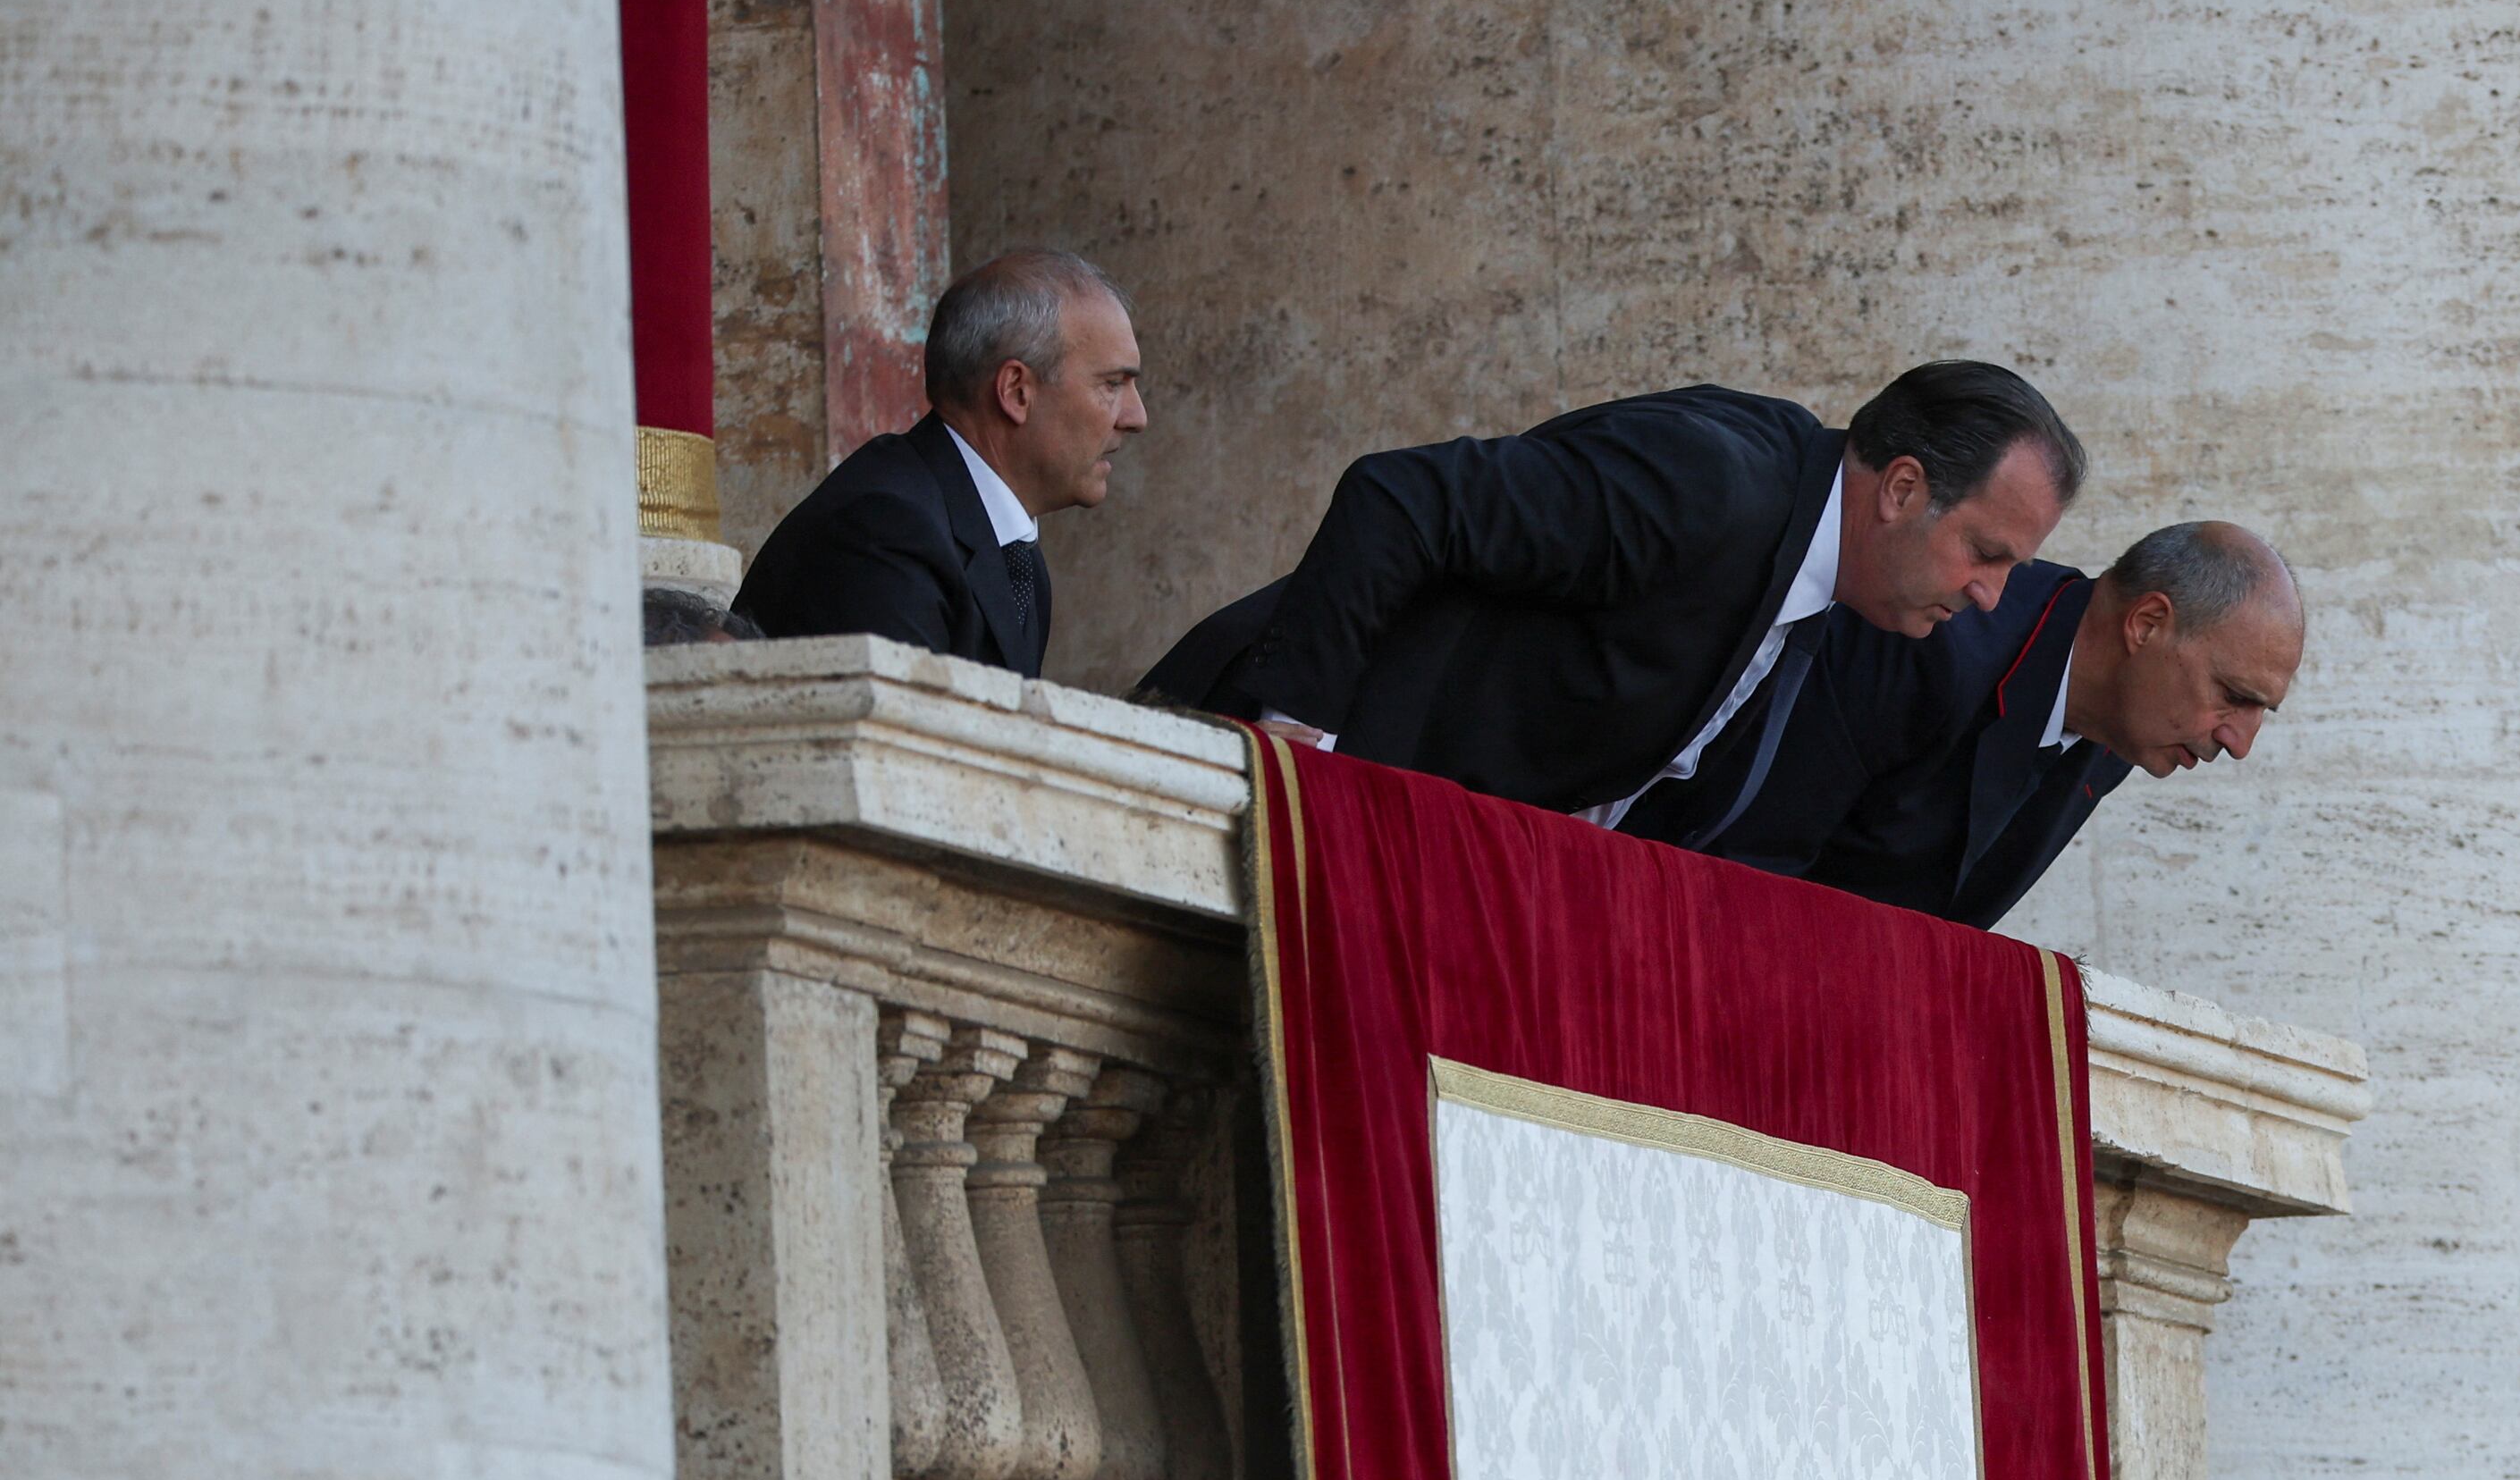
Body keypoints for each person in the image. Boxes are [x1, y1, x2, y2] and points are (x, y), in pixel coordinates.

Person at [1140, 361, 2081, 819]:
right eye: (1984, 552)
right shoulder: (1712, 483)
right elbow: (1401, 500)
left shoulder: (1826, 578)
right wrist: (1299, 751)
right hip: (1245, 784)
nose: (1992, 597)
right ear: (1903, 488)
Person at [1628, 520, 2303, 929]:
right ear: (2147, 624)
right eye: (2233, 695)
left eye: (2259, 712)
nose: (2239, 743)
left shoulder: (2126, 729)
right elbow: (1744, 866)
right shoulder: (1935, 639)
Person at [734, 249, 1146, 674]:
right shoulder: (884, 530)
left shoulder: (1014, 557)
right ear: (1016, 392)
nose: (1137, 418)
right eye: (1112, 384)